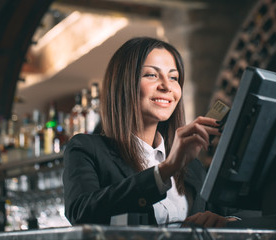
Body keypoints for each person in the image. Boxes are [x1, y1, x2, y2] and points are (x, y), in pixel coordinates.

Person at [63, 37, 235, 228]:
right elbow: (81, 214)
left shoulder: (191, 165)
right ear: (124, 84)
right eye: (152, 75)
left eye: (174, 77)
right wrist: (166, 169)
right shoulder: (86, 149)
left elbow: (233, 213)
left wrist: (224, 221)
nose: (166, 86)